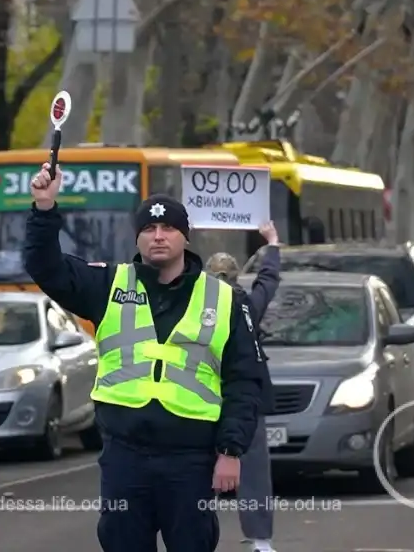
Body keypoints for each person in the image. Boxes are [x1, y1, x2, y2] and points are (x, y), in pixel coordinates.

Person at [23, 164, 265, 552]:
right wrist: (44, 207)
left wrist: (230, 452)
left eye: (168, 228)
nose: (157, 236)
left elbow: (244, 383)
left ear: (185, 238)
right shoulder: (108, 285)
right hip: (125, 457)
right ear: (137, 238)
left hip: (191, 462)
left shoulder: (225, 300)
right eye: (148, 230)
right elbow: (46, 268)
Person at [205, 222, 281, 552]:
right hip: (246, 400)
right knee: (252, 474)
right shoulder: (249, 305)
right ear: (237, 278)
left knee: (196, 473)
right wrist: (272, 245)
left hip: (202, 397)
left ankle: (195, 537)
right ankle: (260, 540)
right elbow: (268, 280)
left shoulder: (195, 308)